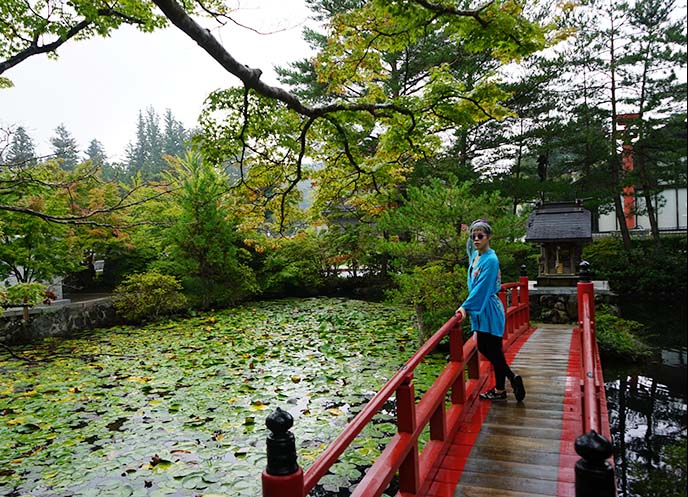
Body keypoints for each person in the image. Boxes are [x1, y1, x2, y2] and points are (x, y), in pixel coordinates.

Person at [455, 219, 526, 402]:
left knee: (491, 349)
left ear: (489, 237)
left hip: (489, 309)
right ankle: (503, 387)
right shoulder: (476, 255)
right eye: (473, 236)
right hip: (481, 309)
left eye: (480, 236)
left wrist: (465, 307)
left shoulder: (491, 260)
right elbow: (469, 247)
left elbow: (482, 288)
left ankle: (507, 382)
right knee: (489, 349)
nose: (476, 239)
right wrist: (467, 232)